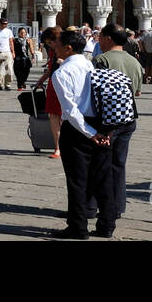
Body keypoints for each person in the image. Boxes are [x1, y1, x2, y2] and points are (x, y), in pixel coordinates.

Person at [50, 30, 115, 239]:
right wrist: (103, 130)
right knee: (103, 177)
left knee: (77, 181)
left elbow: (70, 110)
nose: (55, 47)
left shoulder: (61, 73)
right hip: (101, 123)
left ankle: (78, 227)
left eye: (58, 44)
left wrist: (90, 133)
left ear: (68, 48)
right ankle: (107, 225)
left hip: (79, 130)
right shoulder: (91, 65)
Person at [93, 23, 140, 222]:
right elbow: (136, 91)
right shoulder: (134, 62)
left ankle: (97, 207)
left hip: (106, 120)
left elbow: (94, 92)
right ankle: (119, 205)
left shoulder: (101, 60)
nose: (98, 40)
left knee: (100, 165)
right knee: (119, 164)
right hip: (128, 118)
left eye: (101, 36)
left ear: (109, 38)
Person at [34, 26, 64, 159]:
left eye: (50, 42)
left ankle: (65, 145)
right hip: (53, 85)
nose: (50, 45)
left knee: (64, 116)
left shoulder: (67, 49)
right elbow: (51, 69)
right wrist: (41, 80)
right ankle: (57, 147)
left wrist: (63, 62)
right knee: (53, 116)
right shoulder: (52, 52)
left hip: (65, 86)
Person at [12, 27, 34, 92]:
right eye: (21, 32)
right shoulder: (14, 40)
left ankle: (23, 81)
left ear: (26, 33)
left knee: (26, 72)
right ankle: (20, 86)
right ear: (18, 33)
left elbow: (31, 48)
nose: (22, 34)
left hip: (25, 59)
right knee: (18, 73)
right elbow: (12, 48)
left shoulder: (28, 40)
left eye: (24, 32)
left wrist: (33, 56)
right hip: (17, 59)